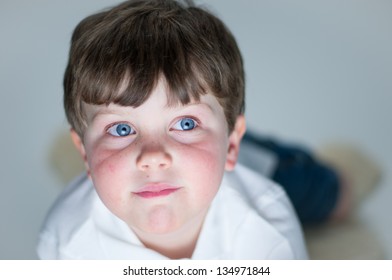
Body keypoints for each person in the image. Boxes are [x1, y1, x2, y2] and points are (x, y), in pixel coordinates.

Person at [37, 0, 308, 259]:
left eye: (185, 123)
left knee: (324, 192)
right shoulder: (66, 243)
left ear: (231, 146)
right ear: (84, 152)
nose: (153, 156)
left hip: (271, 169)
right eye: (121, 129)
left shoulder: (268, 229)